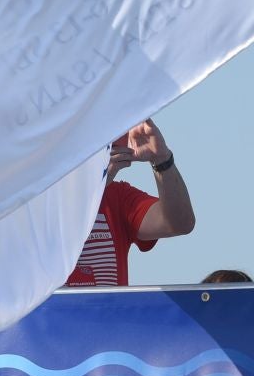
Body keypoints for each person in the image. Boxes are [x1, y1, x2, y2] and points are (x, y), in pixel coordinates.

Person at [65, 118, 194, 287]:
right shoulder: (31, 198)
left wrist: (162, 159)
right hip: (50, 313)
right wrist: (96, 184)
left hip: (110, 313)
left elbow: (180, 223)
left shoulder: (117, 195)